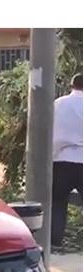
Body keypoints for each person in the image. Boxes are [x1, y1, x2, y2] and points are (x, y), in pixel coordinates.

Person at [51, 74, 83, 247]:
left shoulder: (59, 104)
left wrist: (53, 155)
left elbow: (52, 132)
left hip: (62, 160)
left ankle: (55, 242)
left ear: (71, 85)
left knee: (57, 202)